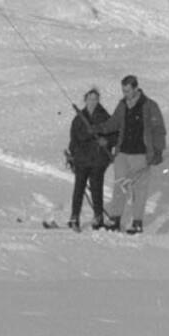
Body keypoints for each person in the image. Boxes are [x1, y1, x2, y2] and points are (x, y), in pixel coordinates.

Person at [109, 74, 168, 232]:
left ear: (136, 88)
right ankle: (115, 219)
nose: (125, 94)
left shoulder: (149, 106)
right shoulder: (122, 105)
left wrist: (158, 151)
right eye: (123, 91)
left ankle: (137, 222)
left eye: (128, 91)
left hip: (141, 154)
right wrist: (97, 128)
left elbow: (159, 130)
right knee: (119, 186)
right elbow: (113, 123)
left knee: (139, 190)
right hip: (122, 153)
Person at [65, 87, 119, 230]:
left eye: (95, 99)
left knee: (96, 188)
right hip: (82, 159)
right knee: (79, 188)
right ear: (85, 100)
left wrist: (107, 142)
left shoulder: (106, 117)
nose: (92, 102)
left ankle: (98, 217)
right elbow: (74, 140)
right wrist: (73, 156)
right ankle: (74, 216)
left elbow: (115, 135)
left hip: (98, 160)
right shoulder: (78, 119)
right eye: (90, 99)